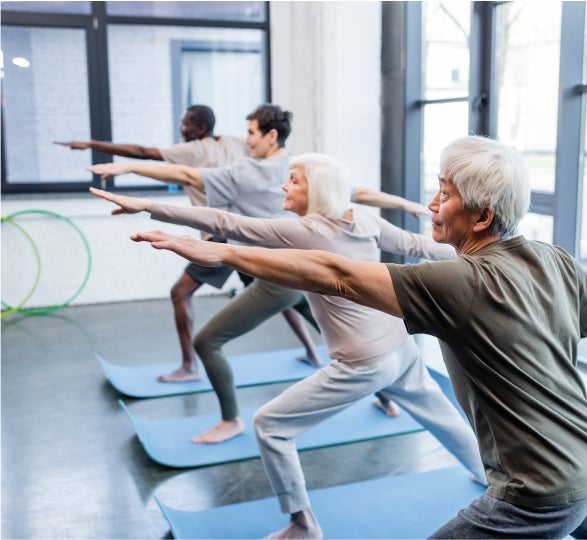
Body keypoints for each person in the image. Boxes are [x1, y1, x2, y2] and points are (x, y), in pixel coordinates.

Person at [124, 136, 587, 539]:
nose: (430, 205)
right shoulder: (552, 259)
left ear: (481, 216)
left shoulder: (460, 281)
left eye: (444, 194)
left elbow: (338, 275)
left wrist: (220, 251)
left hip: (536, 492)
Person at [91, 151, 487, 539]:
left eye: (294, 179)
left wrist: (145, 206)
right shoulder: (361, 217)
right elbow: (421, 246)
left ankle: (303, 525)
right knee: (443, 417)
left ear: (317, 189)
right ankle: (488, 477)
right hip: (400, 348)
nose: (284, 184)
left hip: (362, 362)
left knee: (269, 425)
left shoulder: (306, 230)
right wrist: (484, 259)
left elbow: (227, 222)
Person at [87, 107, 420, 440]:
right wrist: (404, 204)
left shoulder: (246, 171)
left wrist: (129, 167)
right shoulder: (307, 169)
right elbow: (359, 192)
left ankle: (230, 420)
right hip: (308, 273)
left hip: (278, 278)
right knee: (329, 328)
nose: (245, 141)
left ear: (271, 136)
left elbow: (187, 176)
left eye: (251, 133)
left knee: (208, 342)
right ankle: (386, 397)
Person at [57, 105, 323, 380]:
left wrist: (95, 147)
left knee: (180, 292)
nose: (181, 128)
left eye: (186, 124)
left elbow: (145, 153)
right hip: (244, 232)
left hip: (222, 234)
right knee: (279, 293)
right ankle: (314, 351)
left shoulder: (194, 150)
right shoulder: (237, 143)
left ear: (200, 129)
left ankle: (189, 366)